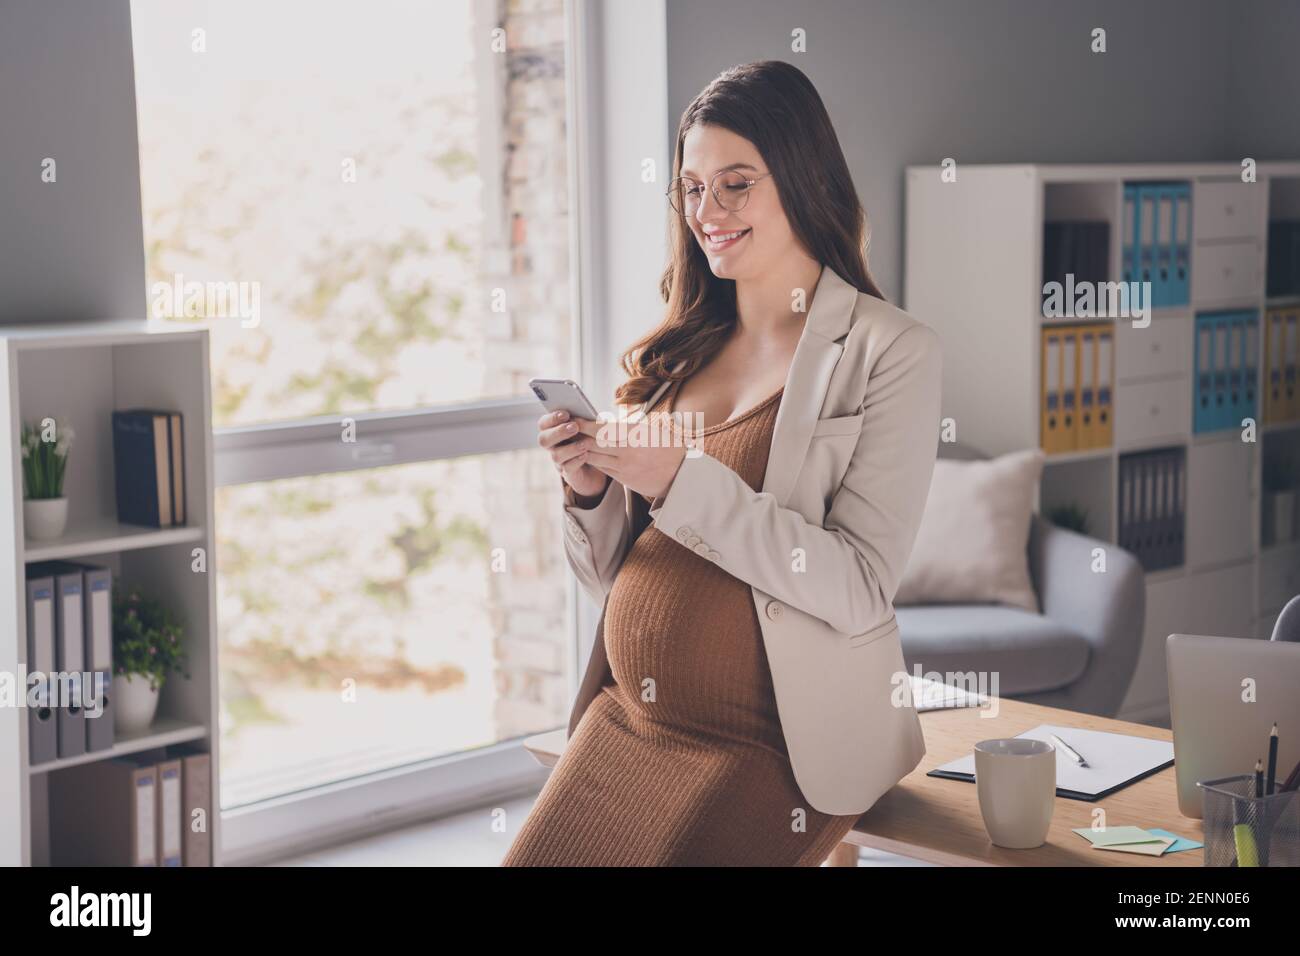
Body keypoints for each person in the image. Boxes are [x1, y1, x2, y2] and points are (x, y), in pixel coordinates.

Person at [504, 60, 942, 866]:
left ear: (804, 178)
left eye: (737, 183)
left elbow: (857, 584)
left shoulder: (889, 351)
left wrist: (677, 481)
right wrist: (590, 488)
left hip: (770, 744)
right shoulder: (681, 346)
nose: (709, 212)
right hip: (628, 720)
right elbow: (614, 577)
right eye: (693, 188)